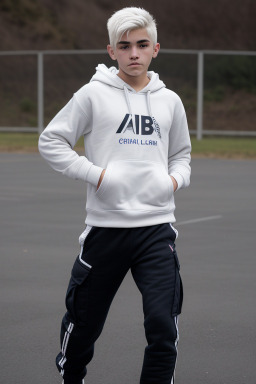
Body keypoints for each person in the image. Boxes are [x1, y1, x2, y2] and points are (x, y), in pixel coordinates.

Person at [38, 6, 191, 384]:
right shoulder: (93, 95)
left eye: (142, 44)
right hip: (105, 231)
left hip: (157, 231)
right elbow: (51, 140)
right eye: (125, 46)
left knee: (162, 324)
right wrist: (98, 175)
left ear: (156, 48)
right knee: (83, 324)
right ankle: (71, 377)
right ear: (112, 51)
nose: (134, 53)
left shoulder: (170, 101)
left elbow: (182, 156)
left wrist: (172, 182)